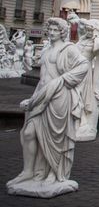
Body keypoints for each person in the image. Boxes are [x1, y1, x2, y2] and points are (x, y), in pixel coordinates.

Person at [7, 18, 88, 196]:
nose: (51, 33)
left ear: (62, 32)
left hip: (59, 97)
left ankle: (54, 173)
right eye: (49, 30)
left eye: (54, 30)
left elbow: (84, 66)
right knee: (29, 133)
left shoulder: (69, 49)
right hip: (42, 96)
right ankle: (29, 172)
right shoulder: (46, 50)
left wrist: (63, 80)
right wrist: (32, 99)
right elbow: (43, 78)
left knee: (55, 137)